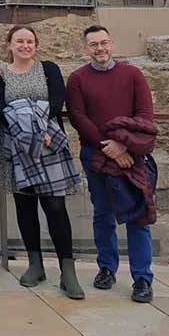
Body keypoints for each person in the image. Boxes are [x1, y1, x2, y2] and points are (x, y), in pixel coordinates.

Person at [0, 25, 84, 298]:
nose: (25, 45)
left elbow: (56, 101)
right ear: (9, 45)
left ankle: (68, 271)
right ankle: (35, 264)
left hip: (48, 143)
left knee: (55, 206)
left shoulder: (49, 69)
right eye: (19, 41)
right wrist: (23, 133)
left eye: (29, 41)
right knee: (25, 205)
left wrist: (40, 131)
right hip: (16, 146)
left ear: (36, 45)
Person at [66, 25, 156, 303]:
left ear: (111, 44)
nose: (100, 49)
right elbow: (79, 117)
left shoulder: (132, 74)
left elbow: (144, 114)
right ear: (86, 49)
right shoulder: (78, 78)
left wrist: (124, 146)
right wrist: (110, 149)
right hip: (96, 155)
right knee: (103, 213)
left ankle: (142, 277)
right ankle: (106, 268)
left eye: (104, 43)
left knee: (137, 215)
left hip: (131, 156)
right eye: (93, 45)